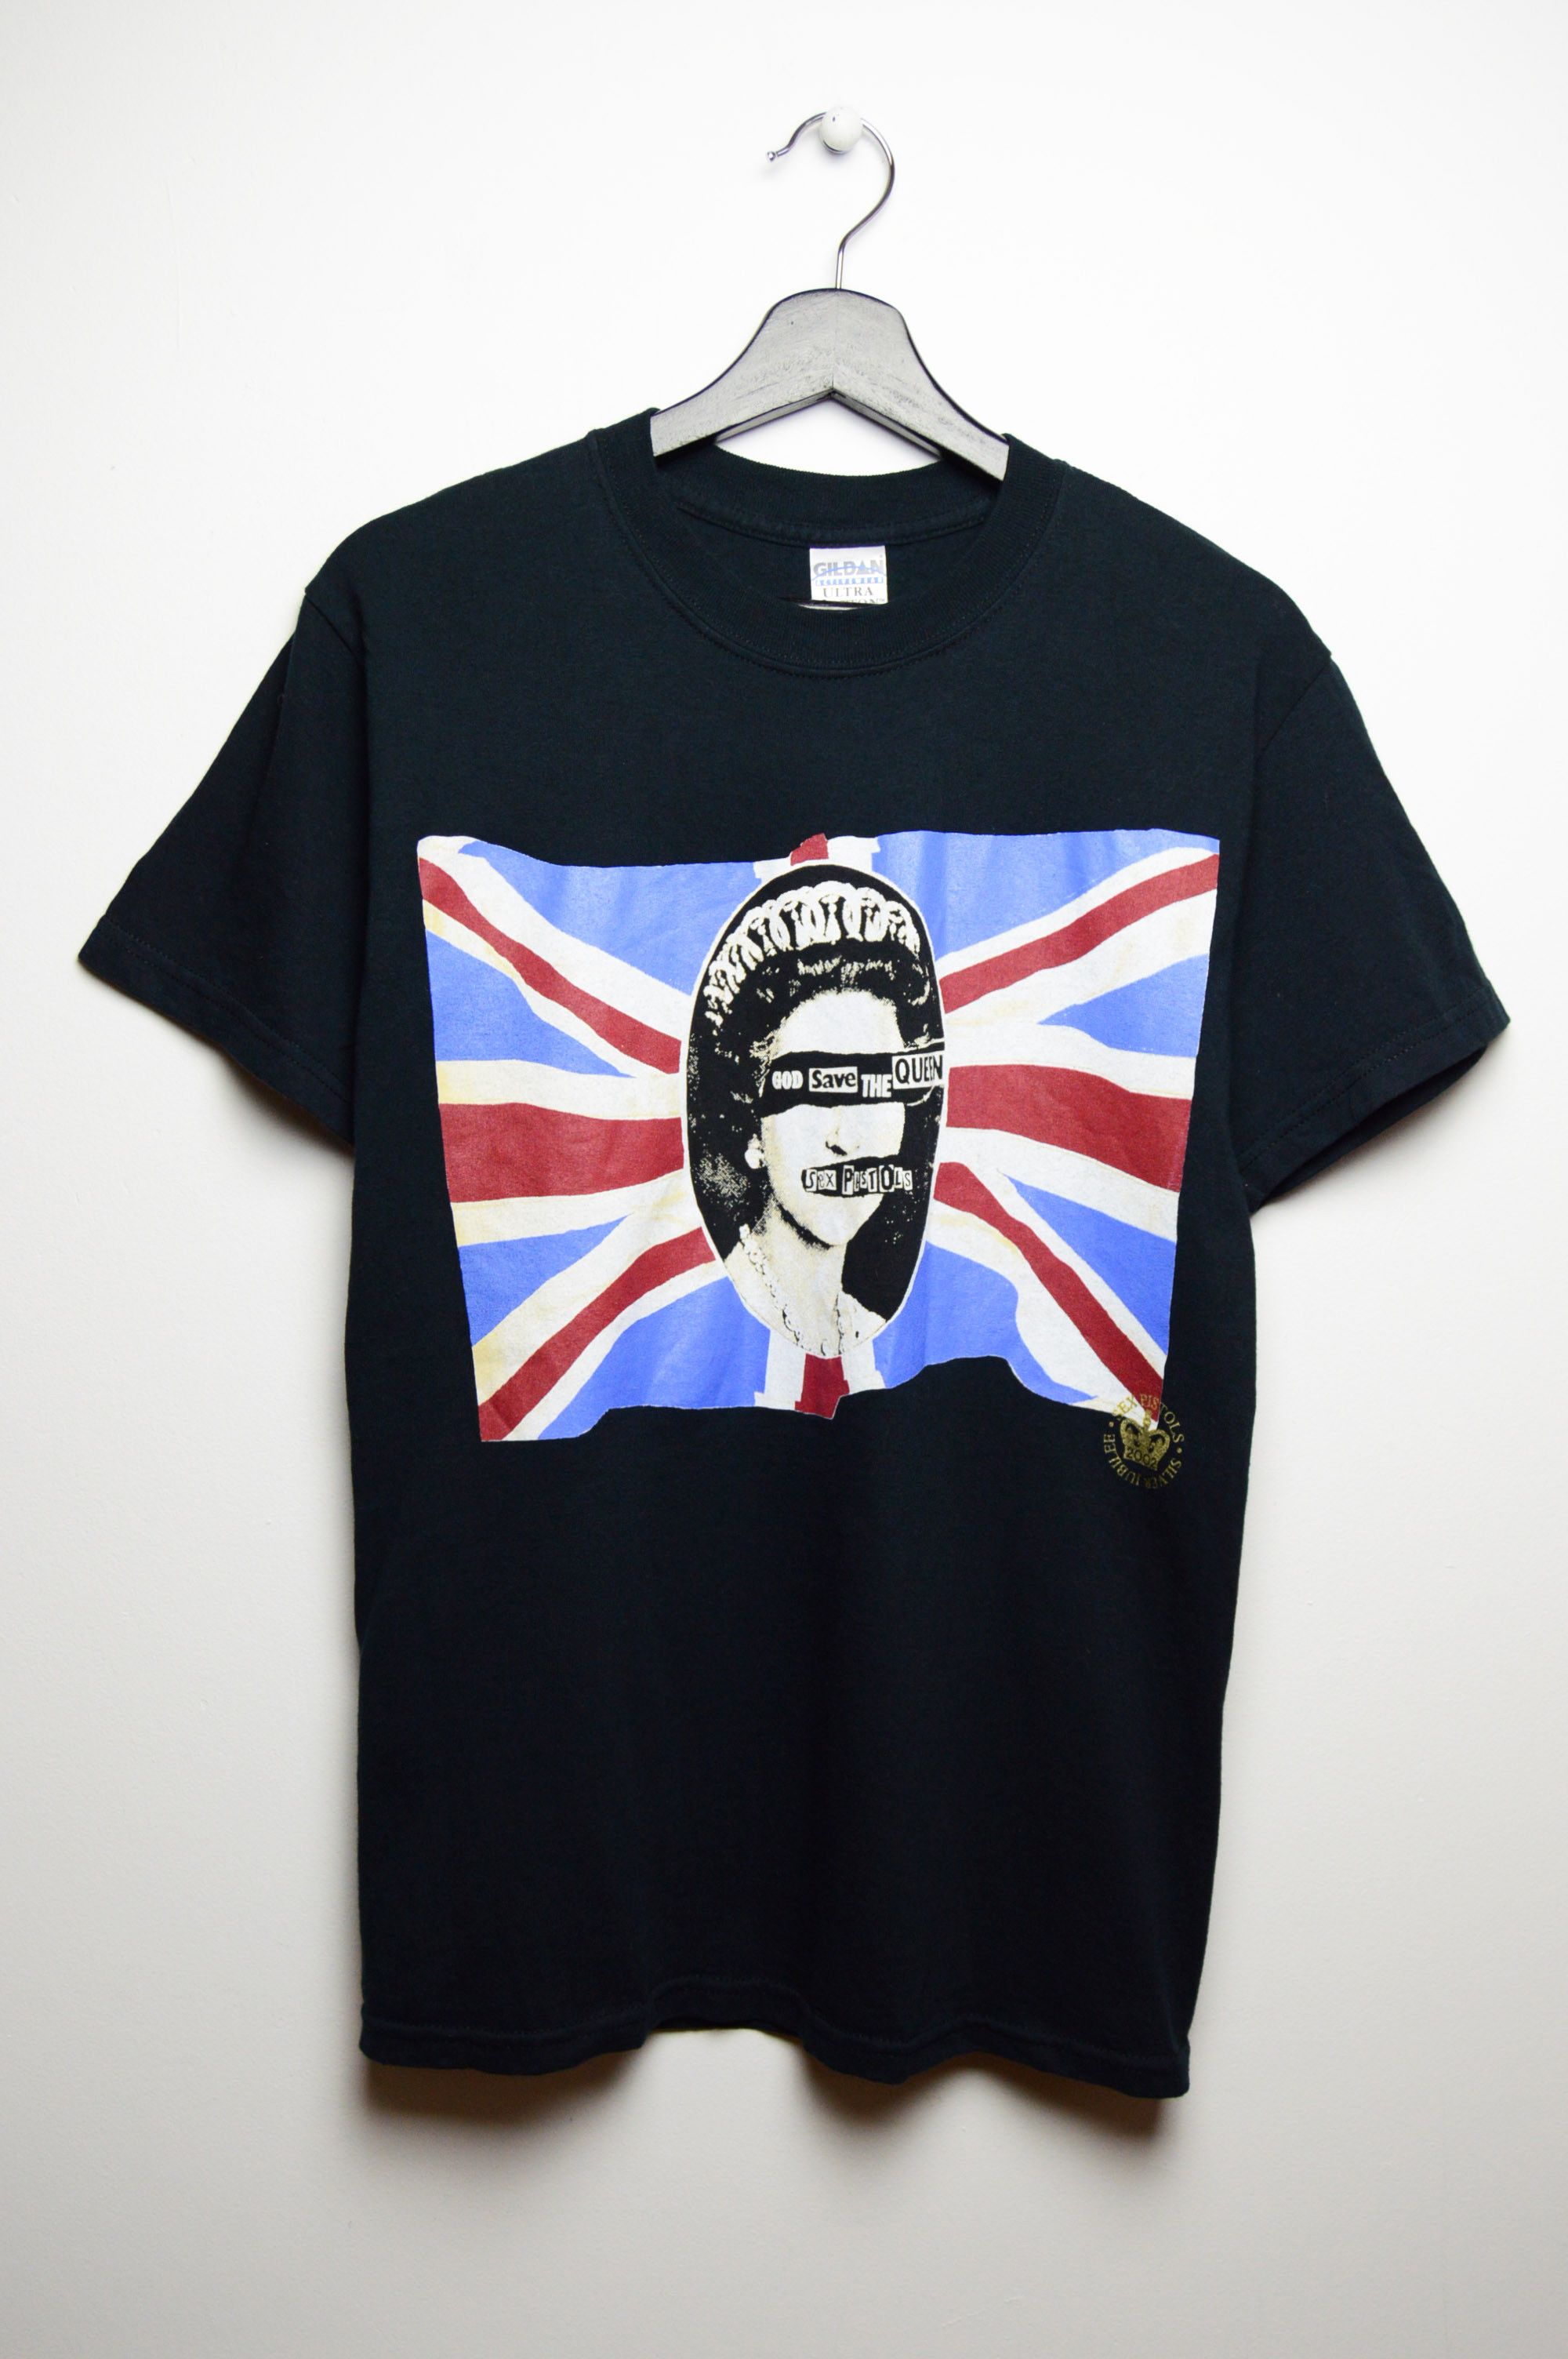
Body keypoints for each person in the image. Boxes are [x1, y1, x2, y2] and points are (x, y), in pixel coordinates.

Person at [687, 865, 944, 1359]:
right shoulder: (706, 1313)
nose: (846, 1139)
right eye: (813, 1092)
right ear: (753, 1127)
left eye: (876, 1090)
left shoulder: (870, 1330)